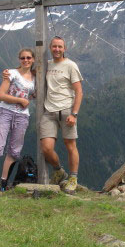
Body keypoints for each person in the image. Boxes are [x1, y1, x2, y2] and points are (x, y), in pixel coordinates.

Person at [0, 48, 35, 192]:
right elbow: (1, 95)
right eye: (23, 58)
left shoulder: (35, 77)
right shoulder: (11, 73)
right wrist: (20, 100)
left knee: (14, 152)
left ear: (33, 59)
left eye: (28, 58)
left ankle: (3, 183)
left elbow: (34, 93)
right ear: (19, 59)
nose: (26, 60)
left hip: (22, 116)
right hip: (5, 112)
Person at [41, 36, 83, 194]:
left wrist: (74, 114)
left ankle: (72, 179)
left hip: (66, 111)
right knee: (46, 148)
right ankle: (59, 171)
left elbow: (79, 91)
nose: (57, 49)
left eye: (60, 47)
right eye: (54, 47)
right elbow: (28, 69)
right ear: (50, 48)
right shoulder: (47, 65)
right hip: (48, 111)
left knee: (70, 146)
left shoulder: (71, 65)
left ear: (65, 48)